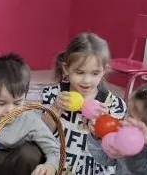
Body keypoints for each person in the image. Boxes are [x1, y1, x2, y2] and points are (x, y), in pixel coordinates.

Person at [42, 33, 126, 175]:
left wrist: (104, 124)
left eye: (95, 73)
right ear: (66, 69)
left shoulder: (113, 104)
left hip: (95, 169)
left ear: (104, 71)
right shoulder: (54, 94)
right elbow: (43, 131)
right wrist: (55, 108)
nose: (87, 80)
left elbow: (114, 151)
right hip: (60, 166)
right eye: (80, 72)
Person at [0, 53, 59, 175]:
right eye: (1, 103)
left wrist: (50, 165)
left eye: (17, 103)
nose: (10, 110)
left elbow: (53, 149)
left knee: (30, 153)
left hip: (20, 164)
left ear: (25, 96)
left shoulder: (31, 121)